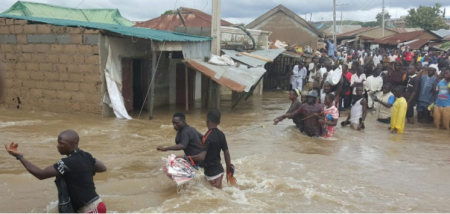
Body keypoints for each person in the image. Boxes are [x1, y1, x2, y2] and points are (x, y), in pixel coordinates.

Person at [4, 130, 107, 213]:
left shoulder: (66, 162)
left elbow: (40, 174)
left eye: (61, 143)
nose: (57, 146)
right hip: (92, 206)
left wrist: (20, 157)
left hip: (92, 209)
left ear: (71, 144)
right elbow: (102, 168)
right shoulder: (86, 156)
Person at [187, 110, 233, 189]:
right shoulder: (221, 134)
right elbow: (227, 153)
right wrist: (229, 171)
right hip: (219, 171)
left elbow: (202, 157)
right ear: (219, 122)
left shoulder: (206, 137)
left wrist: (187, 158)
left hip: (212, 173)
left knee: (216, 196)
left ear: (207, 121)